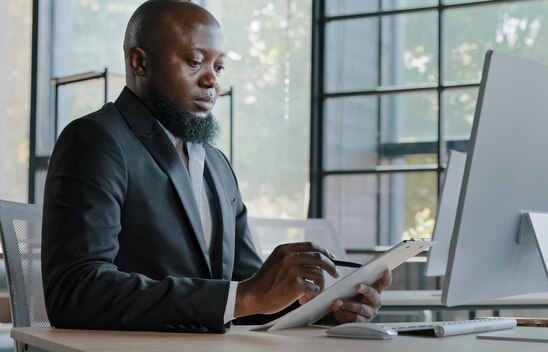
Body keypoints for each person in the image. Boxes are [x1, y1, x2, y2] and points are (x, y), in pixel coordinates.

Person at [41, 0, 391, 333]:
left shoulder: (216, 164)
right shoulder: (96, 140)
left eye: (218, 67)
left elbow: (250, 290)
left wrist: (326, 309)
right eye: (195, 62)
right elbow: (76, 290)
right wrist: (245, 296)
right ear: (139, 62)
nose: (212, 81)